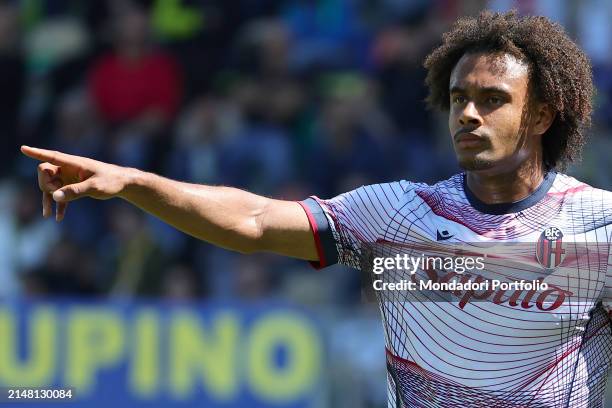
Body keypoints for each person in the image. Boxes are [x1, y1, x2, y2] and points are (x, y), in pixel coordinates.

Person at [21, 11, 612, 408]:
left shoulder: (600, 226)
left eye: (492, 100)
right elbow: (253, 222)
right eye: (459, 99)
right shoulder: (397, 214)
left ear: (541, 115)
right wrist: (133, 183)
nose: (468, 115)